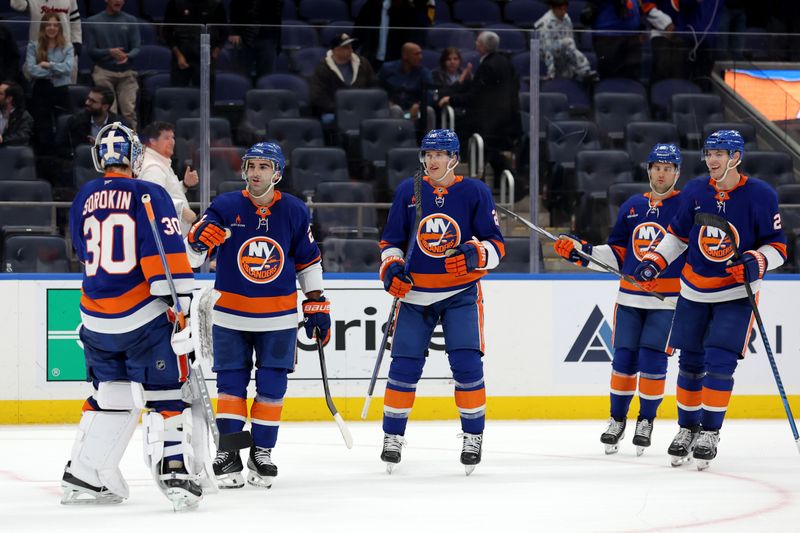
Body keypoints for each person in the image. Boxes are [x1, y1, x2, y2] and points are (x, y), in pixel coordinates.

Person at [63, 122, 206, 509]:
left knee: (111, 394)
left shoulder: (84, 196)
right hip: (142, 315)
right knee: (165, 391)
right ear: (135, 156)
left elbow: (80, 249)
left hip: (94, 316)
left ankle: (86, 473)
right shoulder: (149, 193)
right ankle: (174, 469)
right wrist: (182, 311)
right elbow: (164, 260)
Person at [633, 130, 787, 470]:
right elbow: (677, 235)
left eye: (720, 153)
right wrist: (654, 261)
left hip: (735, 294)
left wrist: (756, 261)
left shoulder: (761, 195)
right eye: (709, 153)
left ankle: (710, 432)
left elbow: (778, 246)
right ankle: (687, 429)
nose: (712, 160)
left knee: (720, 361)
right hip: (693, 289)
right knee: (690, 362)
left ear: (736, 157)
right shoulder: (696, 190)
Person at [184, 141, 331, 489]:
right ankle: (230, 451)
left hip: (278, 318)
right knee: (230, 385)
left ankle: (262, 451)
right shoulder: (225, 205)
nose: (256, 172)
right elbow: (191, 255)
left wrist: (316, 302)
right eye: (251, 165)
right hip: (231, 316)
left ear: (277, 173)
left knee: (272, 385)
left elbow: (308, 261)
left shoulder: (295, 211)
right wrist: (197, 238)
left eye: (264, 166)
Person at [378, 128, 505, 475]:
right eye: (427, 154)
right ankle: (392, 437)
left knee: (467, 366)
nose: (431, 160)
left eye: (439, 154)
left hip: (460, 293)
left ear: (454, 158)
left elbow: (496, 246)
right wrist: (392, 269)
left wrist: (474, 253)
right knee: (403, 367)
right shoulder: (409, 190)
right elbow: (390, 241)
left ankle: (472, 437)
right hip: (416, 294)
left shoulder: (475, 191)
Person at [553, 144, 685, 456]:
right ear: (648, 170)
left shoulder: (685, 208)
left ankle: (646, 421)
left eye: (668, 167)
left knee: (654, 359)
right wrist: (582, 252)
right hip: (629, 298)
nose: (661, 173)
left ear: (677, 172)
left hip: (667, 300)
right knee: (623, 360)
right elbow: (617, 254)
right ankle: (617, 420)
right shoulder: (632, 206)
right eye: (656, 167)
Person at [437, 32, 521, 191]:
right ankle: (492, 184)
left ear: (482, 46)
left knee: (476, 141)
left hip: (489, 121)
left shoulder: (487, 66)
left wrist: (452, 99)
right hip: (505, 117)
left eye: (477, 42)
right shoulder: (505, 61)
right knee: (490, 152)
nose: (475, 44)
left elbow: (476, 96)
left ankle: (482, 183)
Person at [84, 0, 141, 129]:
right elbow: (91, 51)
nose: (119, 1)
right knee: (110, 112)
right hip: (104, 71)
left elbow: (136, 48)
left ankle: (132, 145)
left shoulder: (131, 20)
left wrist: (127, 56)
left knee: (129, 112)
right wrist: (109, 52)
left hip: (127, 72)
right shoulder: (94, 21)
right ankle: (109, 143)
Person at [138, 121, 199, 235]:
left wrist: (184, 184)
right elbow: (153, 199)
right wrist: (182, 210)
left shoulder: (160, 163)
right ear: (153, 141)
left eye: (173, 137)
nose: (172, 142)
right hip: (164, 237)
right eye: (167, 138)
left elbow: (165, 193)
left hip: (170, 235)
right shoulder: (153, 168)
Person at [25, 12, 74, 148]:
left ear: (59, 28)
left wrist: (49, 65)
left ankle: (63, 152)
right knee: (42, 123)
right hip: (41, 89)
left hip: (61, 89)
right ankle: (45, 154)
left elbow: (68, 68)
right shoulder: (33, 46)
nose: (52, 28)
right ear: (43, 28)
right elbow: (32, 70)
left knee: (63, 121)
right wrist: (56, 70)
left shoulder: (67, 46)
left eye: (55, 25)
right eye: (48, 25)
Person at [310, 32, 377, 124]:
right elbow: (318, 96)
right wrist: (340, 109)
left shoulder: (363, 63)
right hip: (334, 111)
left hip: (362, 108)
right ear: (335, 50)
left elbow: (374, 85)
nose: (350, 50)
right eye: (346, 47)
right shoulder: (323, 68)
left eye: (351, 46)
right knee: (329, 119)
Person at [11, 0, 82, 83]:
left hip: (64, 48)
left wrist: (76, 42)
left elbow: (75, 21)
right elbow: (18, 6)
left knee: (67, 87)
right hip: (40, 48)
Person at [163, 0, 227, 88]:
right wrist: (179, 56)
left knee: (206, 95)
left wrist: (214, 54)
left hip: (206, 57)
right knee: (178, 93)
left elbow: (224, 32)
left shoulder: (215, 4)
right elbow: (167, 32)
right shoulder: (176, 3)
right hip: (181, 56)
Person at [534, 0, 597, 82]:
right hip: (546, 55)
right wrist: (551, 73)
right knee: (568, 42)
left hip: (563, 53)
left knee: (569, 43)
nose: (563, 12)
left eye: (565, 9)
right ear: (552, 8)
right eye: (560, 9)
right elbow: (546, 50)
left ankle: (583, 73)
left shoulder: (566, 18)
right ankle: (585, 69)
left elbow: (571, 43)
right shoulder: (544, 23)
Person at [57, 85, 126, 160]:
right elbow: (61, 149)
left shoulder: (121, 125)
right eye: (88, 99)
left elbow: (129, 152)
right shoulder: (76, 121)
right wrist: (84, 151)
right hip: (82, 164)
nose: (87, 103)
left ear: (105, 107)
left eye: (92, 101)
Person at [378, 42, 434, 123]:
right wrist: (388, 102)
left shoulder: (424, 72)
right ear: (405, 56)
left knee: (429, 110)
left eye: (420, 54)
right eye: (416, 54)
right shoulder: (387, 69)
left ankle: (429, 136)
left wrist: (419, 105)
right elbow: (377, 89)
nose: (420, 57)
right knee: (396, 110)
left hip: (414, 112)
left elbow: (430, 93)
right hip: (391, 110)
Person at [227, 0, 283, 82]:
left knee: (266, 77)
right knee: (241, 77)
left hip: (267, 37)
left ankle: (265, 94)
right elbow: (233, 10)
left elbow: (277, 16)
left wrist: (277, 41)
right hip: (244, 37)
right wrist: (233, 32)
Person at [0, 80, 34, 146]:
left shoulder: (23, 116)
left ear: (9, 99)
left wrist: (3, 139)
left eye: (0, 94)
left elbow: (22, 136)